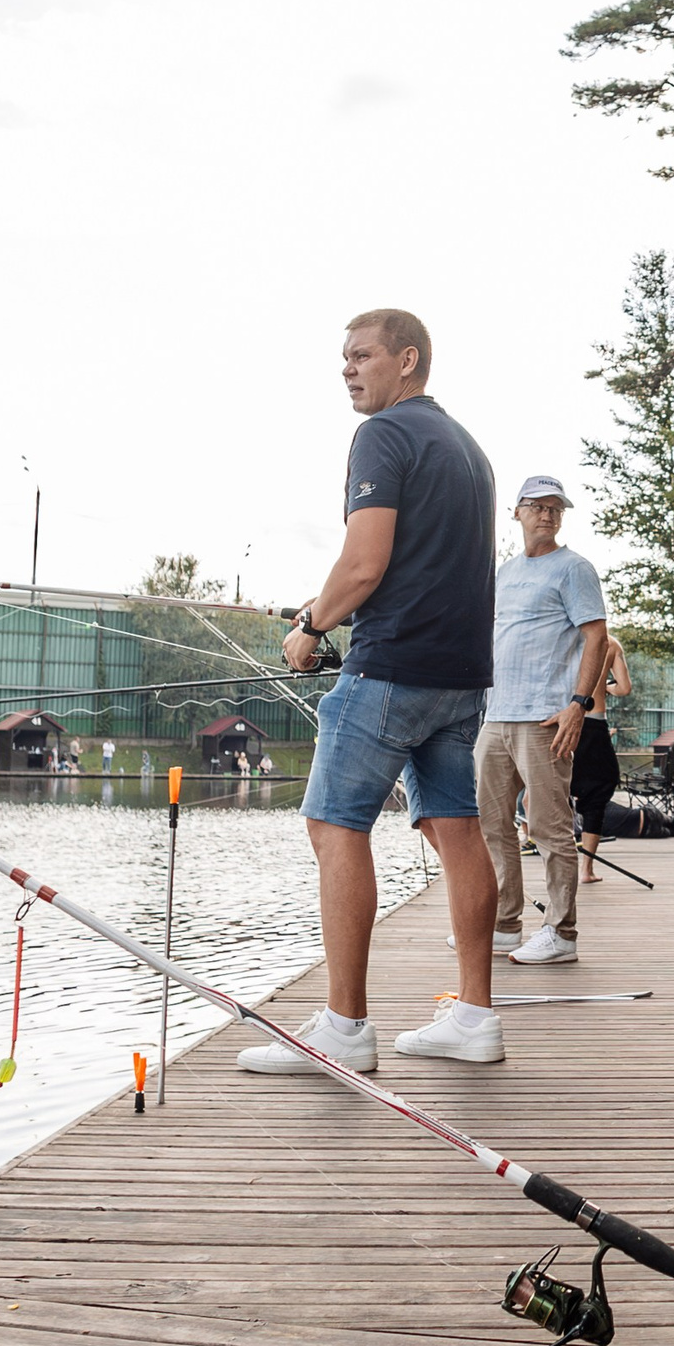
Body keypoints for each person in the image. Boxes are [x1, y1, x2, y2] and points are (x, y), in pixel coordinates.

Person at [242, 306, 505, 1073]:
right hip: (462, 680)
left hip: (390, 671)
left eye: (362, 355)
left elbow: (364, 564)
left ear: (408, 360)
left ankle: (345, 1029)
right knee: (457, 832)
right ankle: (475, 1017)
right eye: (344, 358)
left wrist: (311, 625)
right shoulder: (471, 451)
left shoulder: (382, 435)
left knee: (334, 825)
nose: (349, 368)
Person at [476, 475, 610, 966]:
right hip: (496, 717)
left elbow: (596, 637)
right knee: (492, 825)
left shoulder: (573, 569)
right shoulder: (503, 573)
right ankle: (505, 925)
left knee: (549, 828)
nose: (547, 514)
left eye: (556, 508)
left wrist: (579, 703)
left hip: (546, 719)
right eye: (537, 505)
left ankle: (561, 932)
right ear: (516, 512)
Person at [574, 633, 631, 883]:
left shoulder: (564, 637)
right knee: (600, 789)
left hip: (559, 721)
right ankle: (585, 870)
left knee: (550, 791)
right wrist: (605, 687)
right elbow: (624, 688)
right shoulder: (610, 643)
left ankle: (556, 863)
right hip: (593, 724)